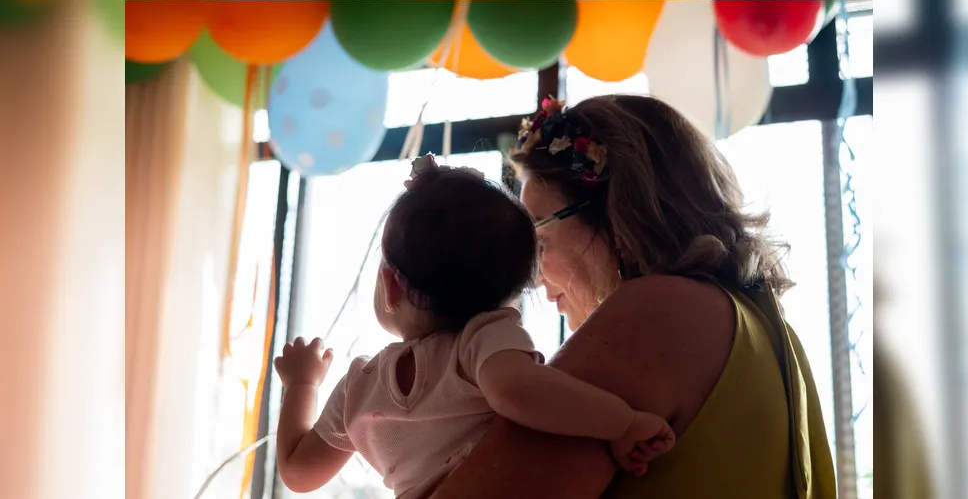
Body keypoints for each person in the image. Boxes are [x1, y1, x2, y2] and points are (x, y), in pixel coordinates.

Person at [429, 96, 837, 499]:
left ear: (618, 215)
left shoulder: (661, 314)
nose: (532, 279)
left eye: (540, 237)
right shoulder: (761, 330)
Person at [272, 154, 675, 499]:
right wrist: (622, 422)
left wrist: (302, 385)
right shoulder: (484, 339)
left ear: (392, 285)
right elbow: (520, 390)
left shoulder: (358, 386)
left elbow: (297, 471)